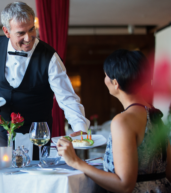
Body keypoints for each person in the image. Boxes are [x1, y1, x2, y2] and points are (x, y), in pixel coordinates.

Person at [0, 1, 89, 159]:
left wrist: (80, 128)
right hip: (1, 132)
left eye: (32, 29)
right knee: (2, 176)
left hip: (37, 135)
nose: (29, 37)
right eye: (21, 33)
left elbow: (67, 97)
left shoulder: (49, 57)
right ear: (6, 31)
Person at [57, 49, 171, 193]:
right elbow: (168, 172)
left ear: (115, 83)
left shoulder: (123, 121)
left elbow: (124, 185)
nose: (105, 79)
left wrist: (75, 161)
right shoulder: (154, 114)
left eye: (106, 75)